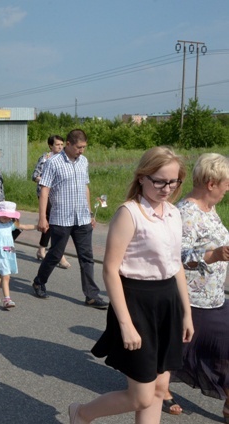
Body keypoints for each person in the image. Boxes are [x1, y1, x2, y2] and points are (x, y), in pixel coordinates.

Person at [69, 146, 194, 424]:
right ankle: (81, 413)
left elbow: (176, 266)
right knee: (141, 396)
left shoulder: (174, 212)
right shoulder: (130, 212)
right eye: (159, 180)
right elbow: (111, 270)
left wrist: (186, 312)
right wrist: (125, 324)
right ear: (142, 177)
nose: (167, 188)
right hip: (136, 303)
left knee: (160, 389)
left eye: (173, 182)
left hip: (168, 302)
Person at [165, 153, 229, 421]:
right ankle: (160, 390)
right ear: (212, 183)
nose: (228, 188)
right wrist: (212, 255)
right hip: (191, 300)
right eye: (226, 182)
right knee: (177, 348)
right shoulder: (186, 213)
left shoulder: (210, 209)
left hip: (215, 297)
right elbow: (175, 257)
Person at [32, 129, 108, 309]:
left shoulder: (84, 162)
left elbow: (85, 187)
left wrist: (89, 213)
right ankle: (39, 281)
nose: (81, 151)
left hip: (82, 218)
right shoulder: (53, 162)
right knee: (55, 254)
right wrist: (43, 218)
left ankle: (91, 295)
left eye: (84, 147)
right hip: (61, 218)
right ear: (68, 144)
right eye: (79, 147)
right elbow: (45, 190)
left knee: (87, 257)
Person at [0, 201, 37, 309]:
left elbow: (24, 226)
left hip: (9, 250)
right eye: (4, 215)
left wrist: (37, 226)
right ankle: (7, 299)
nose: (7, 218)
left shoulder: (11, 224)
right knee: (6, 275)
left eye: (9, 216)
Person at [32, 135, 70, 268]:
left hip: (59, 195)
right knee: (55, 223)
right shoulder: (45, 158)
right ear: (50, 146)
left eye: (61, 144)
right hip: (45, 194)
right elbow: (34, 175)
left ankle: (41, 249)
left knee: (50, 222)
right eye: (57, 144)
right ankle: (60, 255)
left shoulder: (65, 159)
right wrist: (45, 181)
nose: (60, 147)